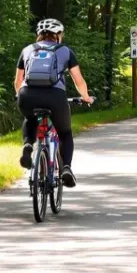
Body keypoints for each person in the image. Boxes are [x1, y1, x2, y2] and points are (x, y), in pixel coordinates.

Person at [14, 18, 94, 188]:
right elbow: (78, 81)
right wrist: (86, 97)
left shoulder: (27, 50)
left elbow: (18, 81)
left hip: (27, 95)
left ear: (39, 34)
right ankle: (66, 168)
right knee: (65, 133)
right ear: (58, 35)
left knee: (30, 118)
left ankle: (28, 145)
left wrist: (19, 95)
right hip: (55, 97)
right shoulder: (65, 51)